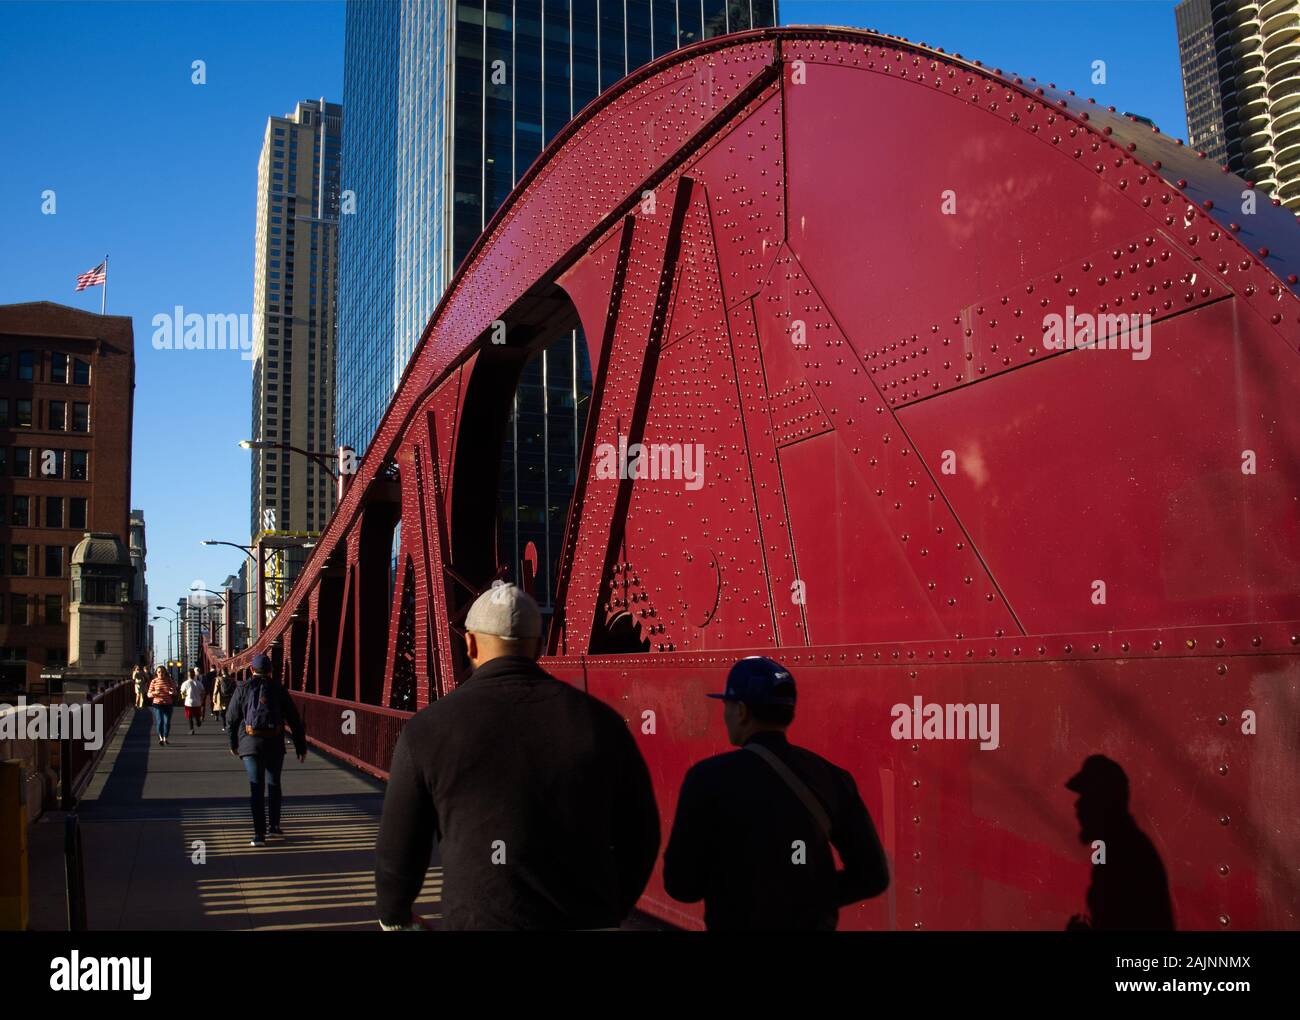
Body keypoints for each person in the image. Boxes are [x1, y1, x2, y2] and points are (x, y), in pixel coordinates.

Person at [374, 583, 660, 930]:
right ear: (539, 647)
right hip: (586, 918)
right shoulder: (601, 722)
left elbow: (399, 847)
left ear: (471, 643)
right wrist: (611, 907)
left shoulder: (428, 728)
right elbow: (642, 835)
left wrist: (395, 916)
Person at [663, 656, 890, 930]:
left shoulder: (707, 778)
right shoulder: (834, 778)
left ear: (742, 712)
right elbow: (873, 875)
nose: (724, 715)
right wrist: (811, 894)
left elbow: (681, 886)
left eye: (727, 705)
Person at [225, 654, 306, 848]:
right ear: (270, 671)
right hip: (274, 743)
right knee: (274, 784)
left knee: (256, 787)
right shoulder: (278, 688)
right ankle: (274, 826)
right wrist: (300, 746)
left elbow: (231, 718)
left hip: (249, 744)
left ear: (251, 670)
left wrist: (233, 743)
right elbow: (294, 719)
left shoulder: (243, 688)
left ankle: (258, 835)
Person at [146, 665, 178, 746]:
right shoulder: (154, 681)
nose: (161, 673)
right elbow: (148, 694)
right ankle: (160, 738)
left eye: (162, 672)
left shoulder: (169, 681)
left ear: (165, 673)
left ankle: (165, 737)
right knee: (160, 721)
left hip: (168, 704)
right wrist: (154, 693)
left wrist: (172, 692)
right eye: (159, 672)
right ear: (156, 672)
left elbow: (175, 692)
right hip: (157, 704)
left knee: (167, 722)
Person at [181, 668, 206, 734]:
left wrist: (184, 697)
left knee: (190, 717)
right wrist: (202, 699)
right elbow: (203, 692)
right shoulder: (198, 683)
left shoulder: (185, 683)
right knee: (197, 715)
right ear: (194, 675)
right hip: (197, 703)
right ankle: (198, 722)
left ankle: (191, 729)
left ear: (188, 675)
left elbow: (182, 693)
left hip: (188, 703)